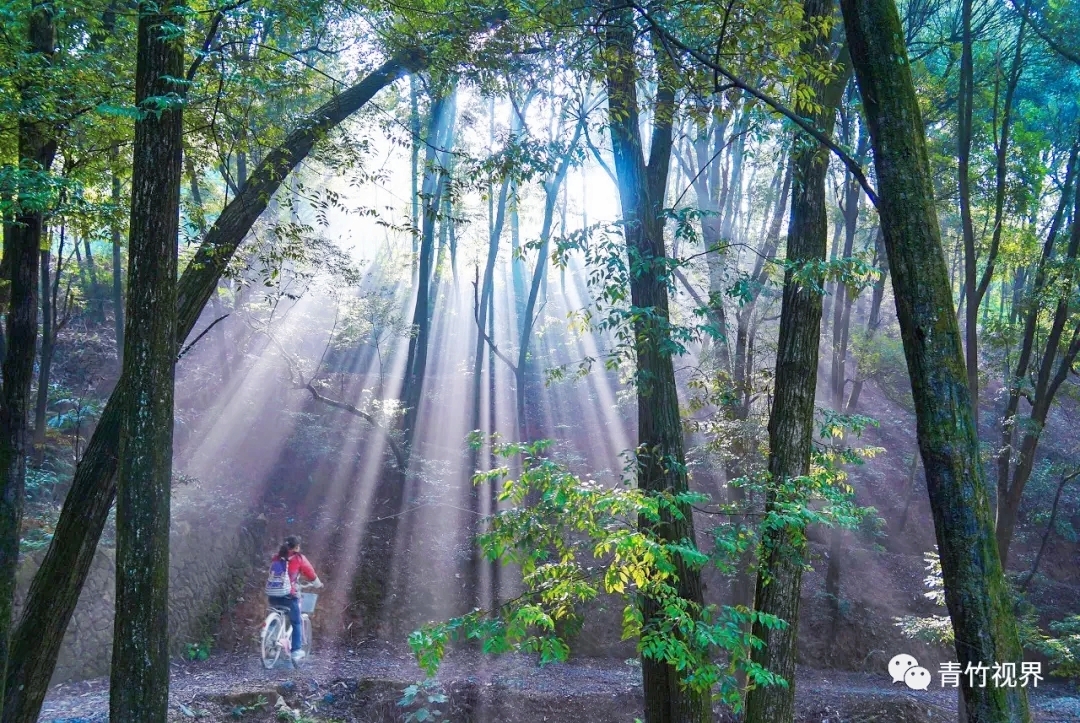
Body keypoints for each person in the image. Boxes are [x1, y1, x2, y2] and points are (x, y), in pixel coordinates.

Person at [265, 535, 323, 663]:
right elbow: (310, 573)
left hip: (273, 595)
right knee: (296, 622)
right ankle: (296, 650)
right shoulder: (299, 559)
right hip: (288, 596)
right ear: (296, 547)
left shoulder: (277, 557)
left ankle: (269, 644)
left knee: (277, 616)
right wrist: (318, 584)